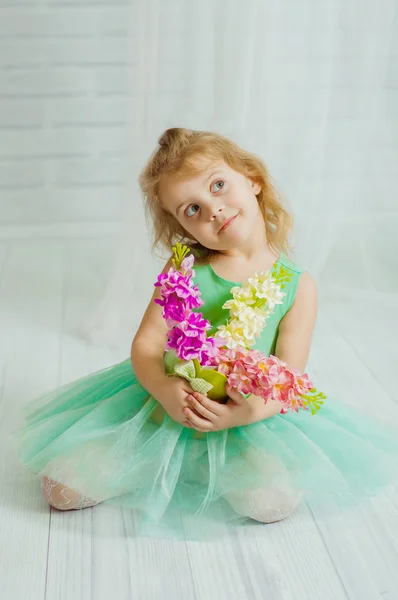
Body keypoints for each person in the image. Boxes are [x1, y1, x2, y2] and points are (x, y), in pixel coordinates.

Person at [13, 128, 398, 538]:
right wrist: (163, 389)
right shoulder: (183, 270)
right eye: (191, 209)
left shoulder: (296, 286)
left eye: (218, 186)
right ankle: (152, 460)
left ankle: (214, 463)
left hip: (244, 416)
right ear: (182, 227)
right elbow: (147, 344)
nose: (213, 209)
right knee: (60, 490)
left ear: (252, 178)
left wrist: (243, 412)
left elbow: (288, 378)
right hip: (162, 405)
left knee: (271, 504)